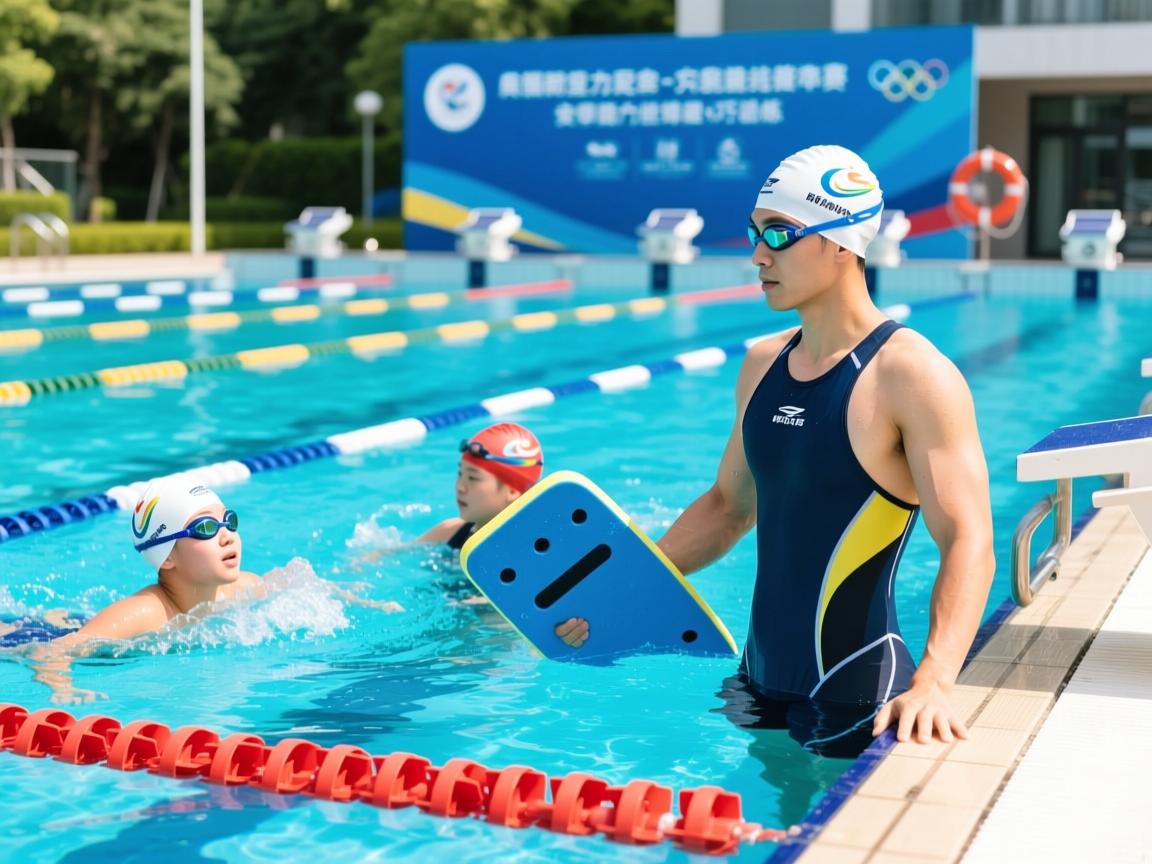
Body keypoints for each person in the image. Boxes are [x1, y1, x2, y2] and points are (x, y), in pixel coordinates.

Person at [556, 144, 995, 758]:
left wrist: (937, 679)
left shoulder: (912, 375)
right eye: (755, 233)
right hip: (756, 680)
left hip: (857, 692)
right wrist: (617, 589)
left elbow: (968, 539)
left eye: (781, 234)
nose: (759, 254)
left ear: (843, 241)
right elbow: (727, 509)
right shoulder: (763, 364)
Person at [418, 422, 544, 551]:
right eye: (460, 473)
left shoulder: (532, 550)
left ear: (512, 491)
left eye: (473, 478)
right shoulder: (448, 532)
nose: (460, 487)